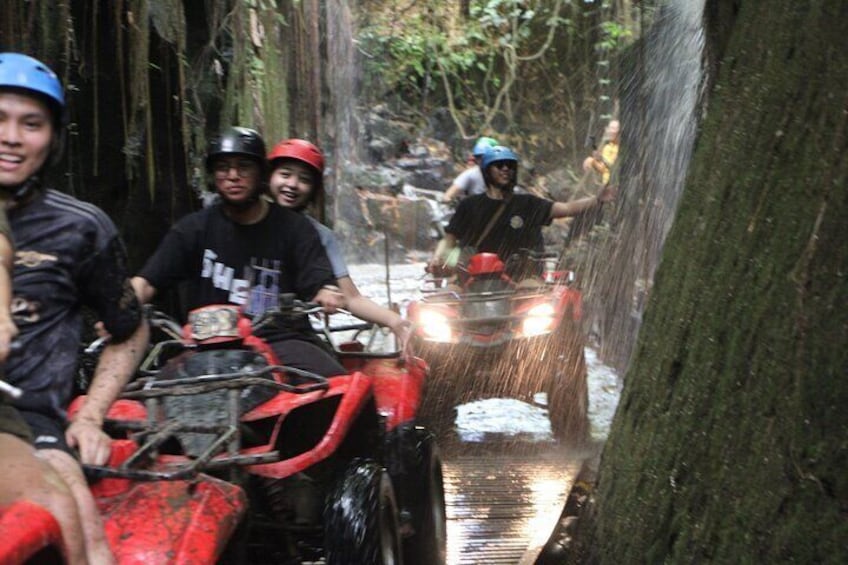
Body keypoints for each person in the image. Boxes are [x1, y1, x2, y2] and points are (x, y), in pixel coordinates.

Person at [0, 52, 150, 564]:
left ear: (53, 138)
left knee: (78, 522)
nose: (12, 137)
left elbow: (129, 328)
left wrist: (89, 416)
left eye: (31, 123)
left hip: (30, 418)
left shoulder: (82, 227)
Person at [132, 127, 347, 377]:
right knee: (154, 398)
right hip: (205, 346)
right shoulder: (192, 229)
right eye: (223, 168)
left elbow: (319, 279)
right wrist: (119, 309)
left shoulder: (295, 228)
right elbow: (146, 282)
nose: (233, 176)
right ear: (214, 176)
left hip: (279, 339)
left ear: (261, 175)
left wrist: (327, 293)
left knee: (340, 387)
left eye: (243, 167)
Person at [267, 138, 411, 349]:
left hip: (291, 336)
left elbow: (350, 298)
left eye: (304, 179)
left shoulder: (321, 235)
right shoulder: (245, 220)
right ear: (268, 177)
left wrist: (394, 320)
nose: (292, 185)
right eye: (285, 174)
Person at [428, 145, 615, 279]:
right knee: (445, 302)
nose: (505, 169)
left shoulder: (527, 203)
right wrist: (438, 259)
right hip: (471, 278)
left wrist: (597, 199)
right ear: (486, 171)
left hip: (520, 278)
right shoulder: (468, 206)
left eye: (509, 165)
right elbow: (449, 239)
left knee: (533, 294)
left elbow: (566, 208)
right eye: (499, 165)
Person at [440, 136, 498, 203]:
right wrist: (449, 200)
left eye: (484, 157)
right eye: (478, 157)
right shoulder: (471, 174)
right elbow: (449, 194)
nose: (481, 160)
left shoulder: (503, 175)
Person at [582, 119, 620, 186]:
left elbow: (612, 167)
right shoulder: (607, 147)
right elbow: (603, 169)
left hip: (615, 186)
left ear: (619, 131)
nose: (611, 131)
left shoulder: (620, 147)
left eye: (614, 128)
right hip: (607, 186)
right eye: (610, 128)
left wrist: (593, 161)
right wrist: (593, 161)